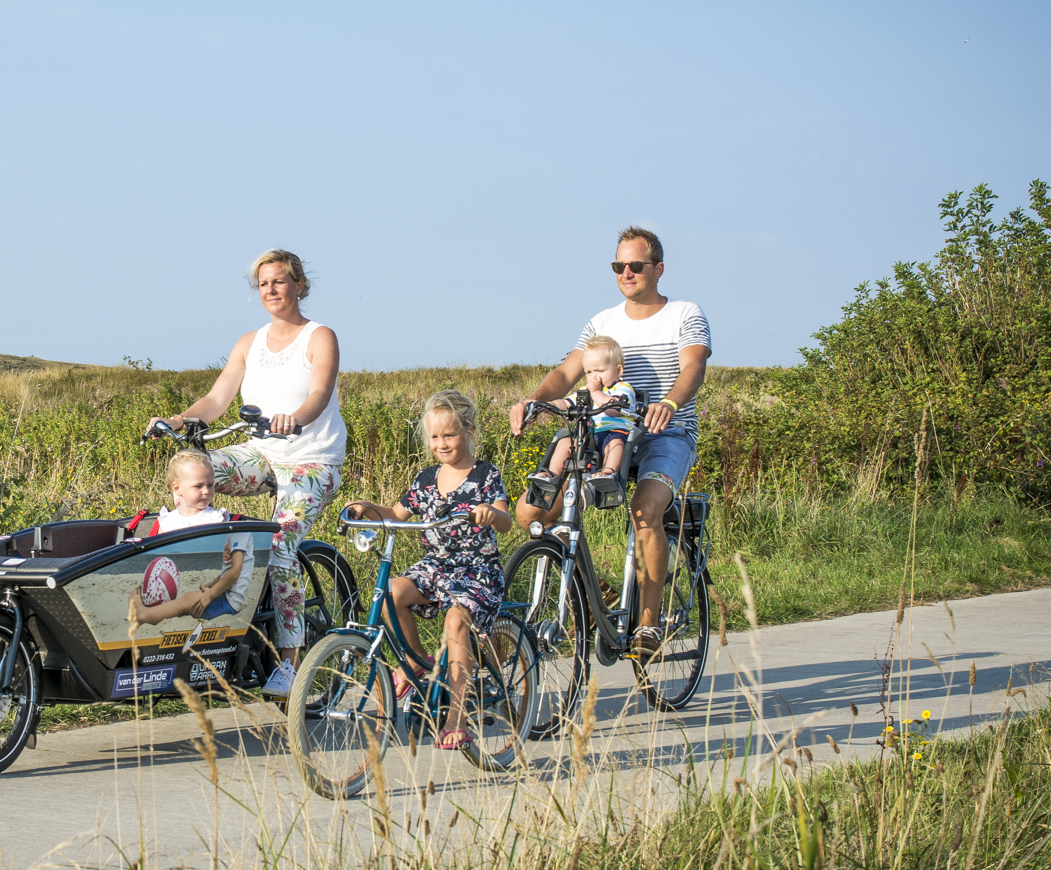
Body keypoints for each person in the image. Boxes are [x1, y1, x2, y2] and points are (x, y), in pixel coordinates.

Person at [147, 249, 345, 701]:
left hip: (312, 459)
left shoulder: (319, 337)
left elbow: (320, 393)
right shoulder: (248, 343)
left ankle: (291, 663)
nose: (271, 290)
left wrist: (294, 418)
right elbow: (216, 400)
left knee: (280, 544)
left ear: (299, 285)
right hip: (261, 452)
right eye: (263, 284)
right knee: (199, 471)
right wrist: (177, 421)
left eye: (279, 281)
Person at [509, 226, 711, 661]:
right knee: (531, 511)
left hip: (664, 432)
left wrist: (671, 404)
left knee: (645, 510)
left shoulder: (684, 313)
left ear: (658, 268)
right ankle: (592, 590)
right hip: (601, 432)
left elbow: (693, 367)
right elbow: (566, 374)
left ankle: (649, 623)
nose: (626, 273)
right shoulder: (601, 322)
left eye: (636, 265)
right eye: (619, 266)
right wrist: (532, 401)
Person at [342, 391, 511, 751]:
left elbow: (507, 520)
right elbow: (395, 513)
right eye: (435, 437)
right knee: (390, 594)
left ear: (469, 431)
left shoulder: (485, 475)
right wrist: (367, 507)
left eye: (449, 435)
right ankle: (416, 662)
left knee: (455, 623)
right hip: (436, 566)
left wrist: (490, 514)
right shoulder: (425, 478)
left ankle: (457, 717)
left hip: (476, 571)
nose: (441, 443)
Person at [128, 451, 250, 625]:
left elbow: (224, 558)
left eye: (210, 485)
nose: (206, 491)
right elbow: (158, 553)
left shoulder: (216, 519)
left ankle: (146, 615)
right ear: (177, 488)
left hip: (205, 583)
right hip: (174, 576)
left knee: (185, 600)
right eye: (198, 486)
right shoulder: (167, 520)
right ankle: (153, 609)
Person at [531, 335, 638, 485]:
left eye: (599, 370)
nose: (594, 377)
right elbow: (566, 403)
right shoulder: (586, 391)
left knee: (615, 444)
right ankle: (552, 475)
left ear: (618, 371)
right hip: (590, 435)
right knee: (565, 442)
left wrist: (596, 393)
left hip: (617, 433)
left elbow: (614, 409)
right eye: (588, 372)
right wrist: (545, 406)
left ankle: (608, 472)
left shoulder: (623, 389)